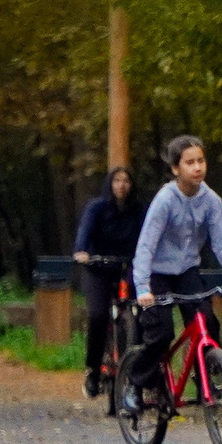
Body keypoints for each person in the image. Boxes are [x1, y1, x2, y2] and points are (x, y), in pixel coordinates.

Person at [124, 136, 222, 411]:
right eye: (190, 162)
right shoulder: (165, 201)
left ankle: (208, 377)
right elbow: (146, 245)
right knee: (160, 334)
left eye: (201, 161)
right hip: (156, 274)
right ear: (175, 169)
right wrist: (143, 287)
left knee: (208, 322)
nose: (197, 168)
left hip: (186, 271)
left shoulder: (211, 200)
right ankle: (136, 383)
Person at [72, 166, 142, 398]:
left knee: (139, 311)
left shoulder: (138, 211)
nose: (121, 185)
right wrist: (82, 251)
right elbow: (85, 231)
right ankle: (92, 370)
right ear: (110, 184)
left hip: (125, 267)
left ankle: (137, 371)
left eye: (126, 181)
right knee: (98, 315)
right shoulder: (97, 208)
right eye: (117, 181)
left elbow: (147, 236)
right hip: (98, 269)